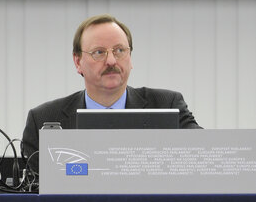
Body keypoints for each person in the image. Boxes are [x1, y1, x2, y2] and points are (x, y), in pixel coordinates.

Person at [21, 14, 200, 173]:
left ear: (130, 57)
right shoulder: (42, 119)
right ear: (77, 62)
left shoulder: (167, 104)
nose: (111, 60)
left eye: (119, 50)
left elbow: (202, 155)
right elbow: (33, 197)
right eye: (99, 52)